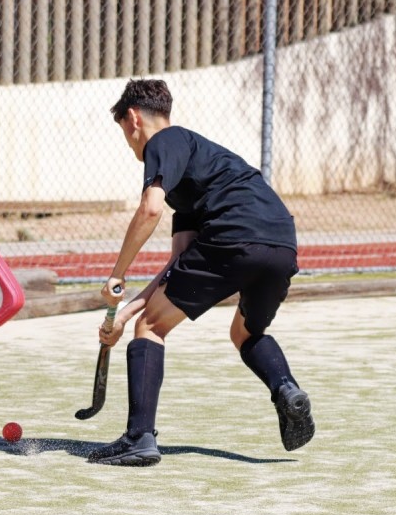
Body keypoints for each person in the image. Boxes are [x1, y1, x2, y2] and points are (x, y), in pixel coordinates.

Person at [88, 78, 315, 466]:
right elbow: (178, 267)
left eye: (127, 136)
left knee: (152, 329)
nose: (132, 147)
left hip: (232, 234)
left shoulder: (164, 141)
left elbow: (149, 209)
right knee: (245, 332)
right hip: (281, 241)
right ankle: (286, 389)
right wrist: (125, 314)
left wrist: (117, 275)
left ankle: (139, 437)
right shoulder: (199, 174)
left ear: (132, 119)